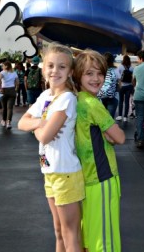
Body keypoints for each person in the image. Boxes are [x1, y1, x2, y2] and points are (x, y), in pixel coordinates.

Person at [18, 43, 85, 252]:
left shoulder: (67, 99)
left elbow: (45, 137)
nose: (55, 71)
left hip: (66, 173)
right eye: (51, 65)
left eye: (62, 67)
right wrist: (40, 122)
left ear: (71, 71)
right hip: (49, 171)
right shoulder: (45, 96)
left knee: (70, 232)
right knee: (58, 230)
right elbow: (22, 123)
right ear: (43, 68)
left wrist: (38, 124)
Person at [73, 49, 125, 252]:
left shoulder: (76, 100)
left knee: (89, 237)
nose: (96, 79)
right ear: (78, 75)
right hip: (102, 179)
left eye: (100, 73)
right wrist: (110, 135)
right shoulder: (93, 104)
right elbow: (119, 137)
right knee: (104, 241)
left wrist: (107, 136)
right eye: (89, 73)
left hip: (85, 179)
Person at [0, 60, 19, 129]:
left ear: (6, 66)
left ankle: (3, 121)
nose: (2, 67)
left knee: (4, 108)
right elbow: (17, 82)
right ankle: (8, 122)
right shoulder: (14, 73)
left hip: (4, 90)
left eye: (3, 65)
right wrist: (16, 89)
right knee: (10, 108)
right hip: (12, 90)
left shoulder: (2, 73)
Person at [98, 52, 118, 118]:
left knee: (102, 119)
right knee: (110, 119)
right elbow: (119, 82)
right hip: (112, 97)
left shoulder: (100, 70)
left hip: (101, 96)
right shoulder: (115, 70)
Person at [115, 54, 134, 123]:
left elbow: (118, 77)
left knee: (121, 101)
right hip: (129, 86)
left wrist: (119, 85)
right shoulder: (132, 68)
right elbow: (133, 78)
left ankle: (120, 116)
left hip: (122, 86)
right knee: (127, 102)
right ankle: (125, 117)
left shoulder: (120, 67)